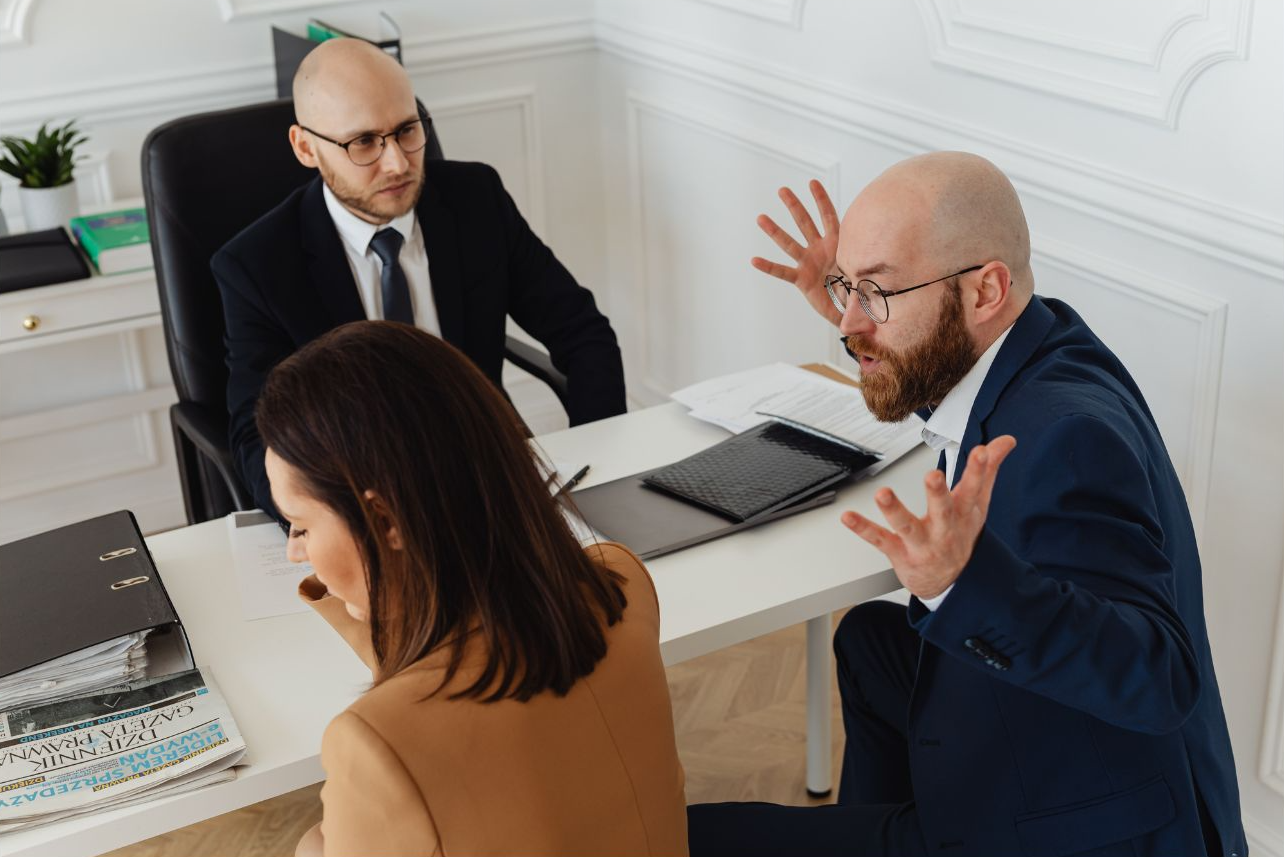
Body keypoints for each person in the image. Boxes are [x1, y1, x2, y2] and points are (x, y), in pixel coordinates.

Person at [687, 152, 1244, 857]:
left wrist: (963, 582)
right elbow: (939, 367)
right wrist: (862, 306)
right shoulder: (1039, 342)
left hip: (1081, 824)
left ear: (985, 291)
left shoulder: (1065, 438)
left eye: (878, 292)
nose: (850, 322)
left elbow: (1161, 676)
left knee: (685, 838)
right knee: (868, 643)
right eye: (848, 287)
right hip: (1050, 742)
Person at [255, 320, 686, 857]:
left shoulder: (376, 744)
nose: (295, 552)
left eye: (299, 526)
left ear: (386, 522)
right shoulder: (619, 580)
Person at [214, 38, 626, 520]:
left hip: (490, 472)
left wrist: (603, 460)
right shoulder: (257, 266)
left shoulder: (476, 200)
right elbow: (254, 435)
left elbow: (582, 331)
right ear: (306, 147)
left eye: (407, 130)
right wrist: (338, 518)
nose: (397, 163)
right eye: (363, 142)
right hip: (365, 496)